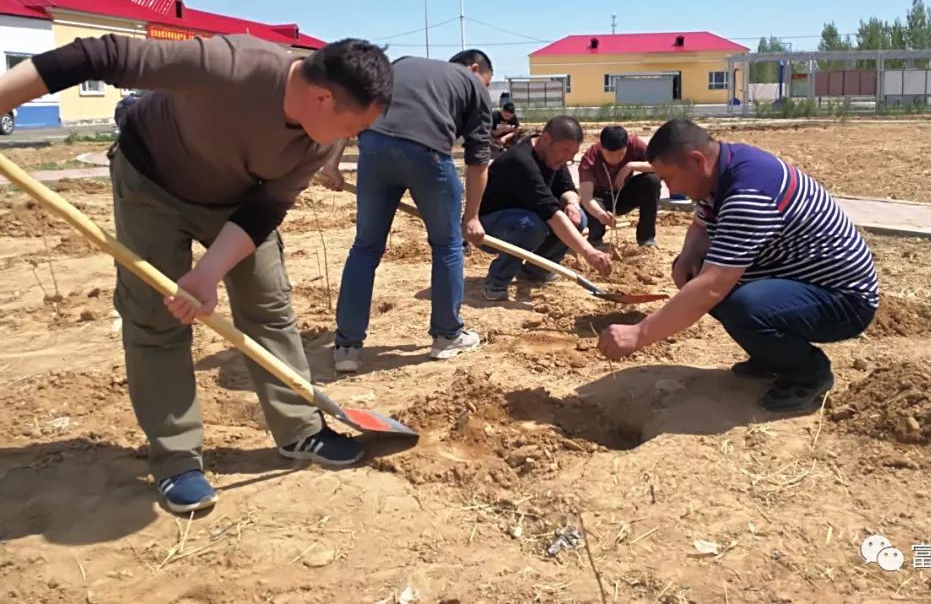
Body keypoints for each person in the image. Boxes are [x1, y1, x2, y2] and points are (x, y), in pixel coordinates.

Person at [0, 33, 394, 514]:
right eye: (352, 127)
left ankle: (301, 430)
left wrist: (207, 274)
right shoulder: (230, 65)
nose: (350, 140)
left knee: (268, 307)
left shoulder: (313, 145)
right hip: (153, 184)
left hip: (238, 201)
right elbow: (93, 56)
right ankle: (177, 459)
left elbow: (262, 212)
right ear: (322, 98)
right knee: (156, 319)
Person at [598, 120, 879, 413]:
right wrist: (688, 253)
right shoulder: (725, 166)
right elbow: (702, 220)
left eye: (670, 178)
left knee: (738, 304)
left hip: (843, 300)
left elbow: (713, 286)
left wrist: (639, 334)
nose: (671, 188)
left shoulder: (748, 194)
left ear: (696, 160)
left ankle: (808, 374)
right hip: (796, 276)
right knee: (701, 276)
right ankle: (772, 356)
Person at [321, 49, 493, 372]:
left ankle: (346, 348)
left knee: (365, 247)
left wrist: (332, 163)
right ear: (474, 69)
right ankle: (447, 336)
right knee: (447, 245)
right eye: (487, 81)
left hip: (372, 147)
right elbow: (478, 161)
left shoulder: (401, 64)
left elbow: (356, 108)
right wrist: (470, 217)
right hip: (427, 154)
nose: (484, 87)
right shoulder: (474, 87)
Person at [478, 115, 613, 301]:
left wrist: (572, 205)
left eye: (572, 154)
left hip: (526, 219)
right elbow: (550, 213)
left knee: (578, 217)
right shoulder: (521, 161)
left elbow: (567, 188)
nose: (567, 158)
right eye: (565, 150)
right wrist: (588, 252)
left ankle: (536, 270)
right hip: (489, 227)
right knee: (534, 226)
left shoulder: (553, 157)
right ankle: (497, 281)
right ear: (546, 139)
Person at [579, 125, 661, 248]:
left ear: (627, 146)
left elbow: (660, 165)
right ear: (601, 147)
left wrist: (631, 166)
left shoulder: (634, 144)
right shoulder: (590, 157)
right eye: (609, 155)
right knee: (592, 205)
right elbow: (586, 198)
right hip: (601, 200)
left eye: (620, 154)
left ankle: (646, 238)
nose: (614, 159)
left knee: (652, 181)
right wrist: (600, 213)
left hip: (625, 194)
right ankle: (595, 239)